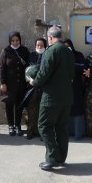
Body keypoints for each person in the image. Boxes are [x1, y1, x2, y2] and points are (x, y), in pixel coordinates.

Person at [29, 26, 74, 170]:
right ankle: (61, 158)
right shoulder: (68, 51)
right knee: (61, 127)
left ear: (49, 37)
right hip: (66, 97)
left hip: (51, 98)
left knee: (43, 126)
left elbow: (43, 73)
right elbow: (72, 74)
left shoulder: (51, 51)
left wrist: (33, 82)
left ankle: (53, 157)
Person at [0, 31, 30, 136]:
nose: (15, 42)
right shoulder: (6, 51)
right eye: (13, 40)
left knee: (19, 105)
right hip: (9, 84)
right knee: (9, 105)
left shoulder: (24, 50)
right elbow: (2, 68)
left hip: (21, 83)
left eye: (17, 40)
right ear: (10, 41)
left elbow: (28, 66)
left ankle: (18, 125)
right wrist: (3, 82)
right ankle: (11, 125)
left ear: (20, 40)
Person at [63, 39, 86, 140]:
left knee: (77, 109)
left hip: (76, 86)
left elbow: (84, 67)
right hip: (64, 87)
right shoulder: (60, 56)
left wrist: (72, 64)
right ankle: (66, 133)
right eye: (64, 46)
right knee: (66, 109)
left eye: (68, 46)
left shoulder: (78, 55)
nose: (67, 48)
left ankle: (78, 133)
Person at [25, 37, 47, 140]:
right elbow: (27, 69)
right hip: (32, 87)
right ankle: (30, 130)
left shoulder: (47, 55)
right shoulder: (31, 55)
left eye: (41, 45)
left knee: (42, 110)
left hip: (43, 87)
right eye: (38, 45)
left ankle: (41, 133)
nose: (39, 47)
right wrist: (29, 80)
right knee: (31, 109)